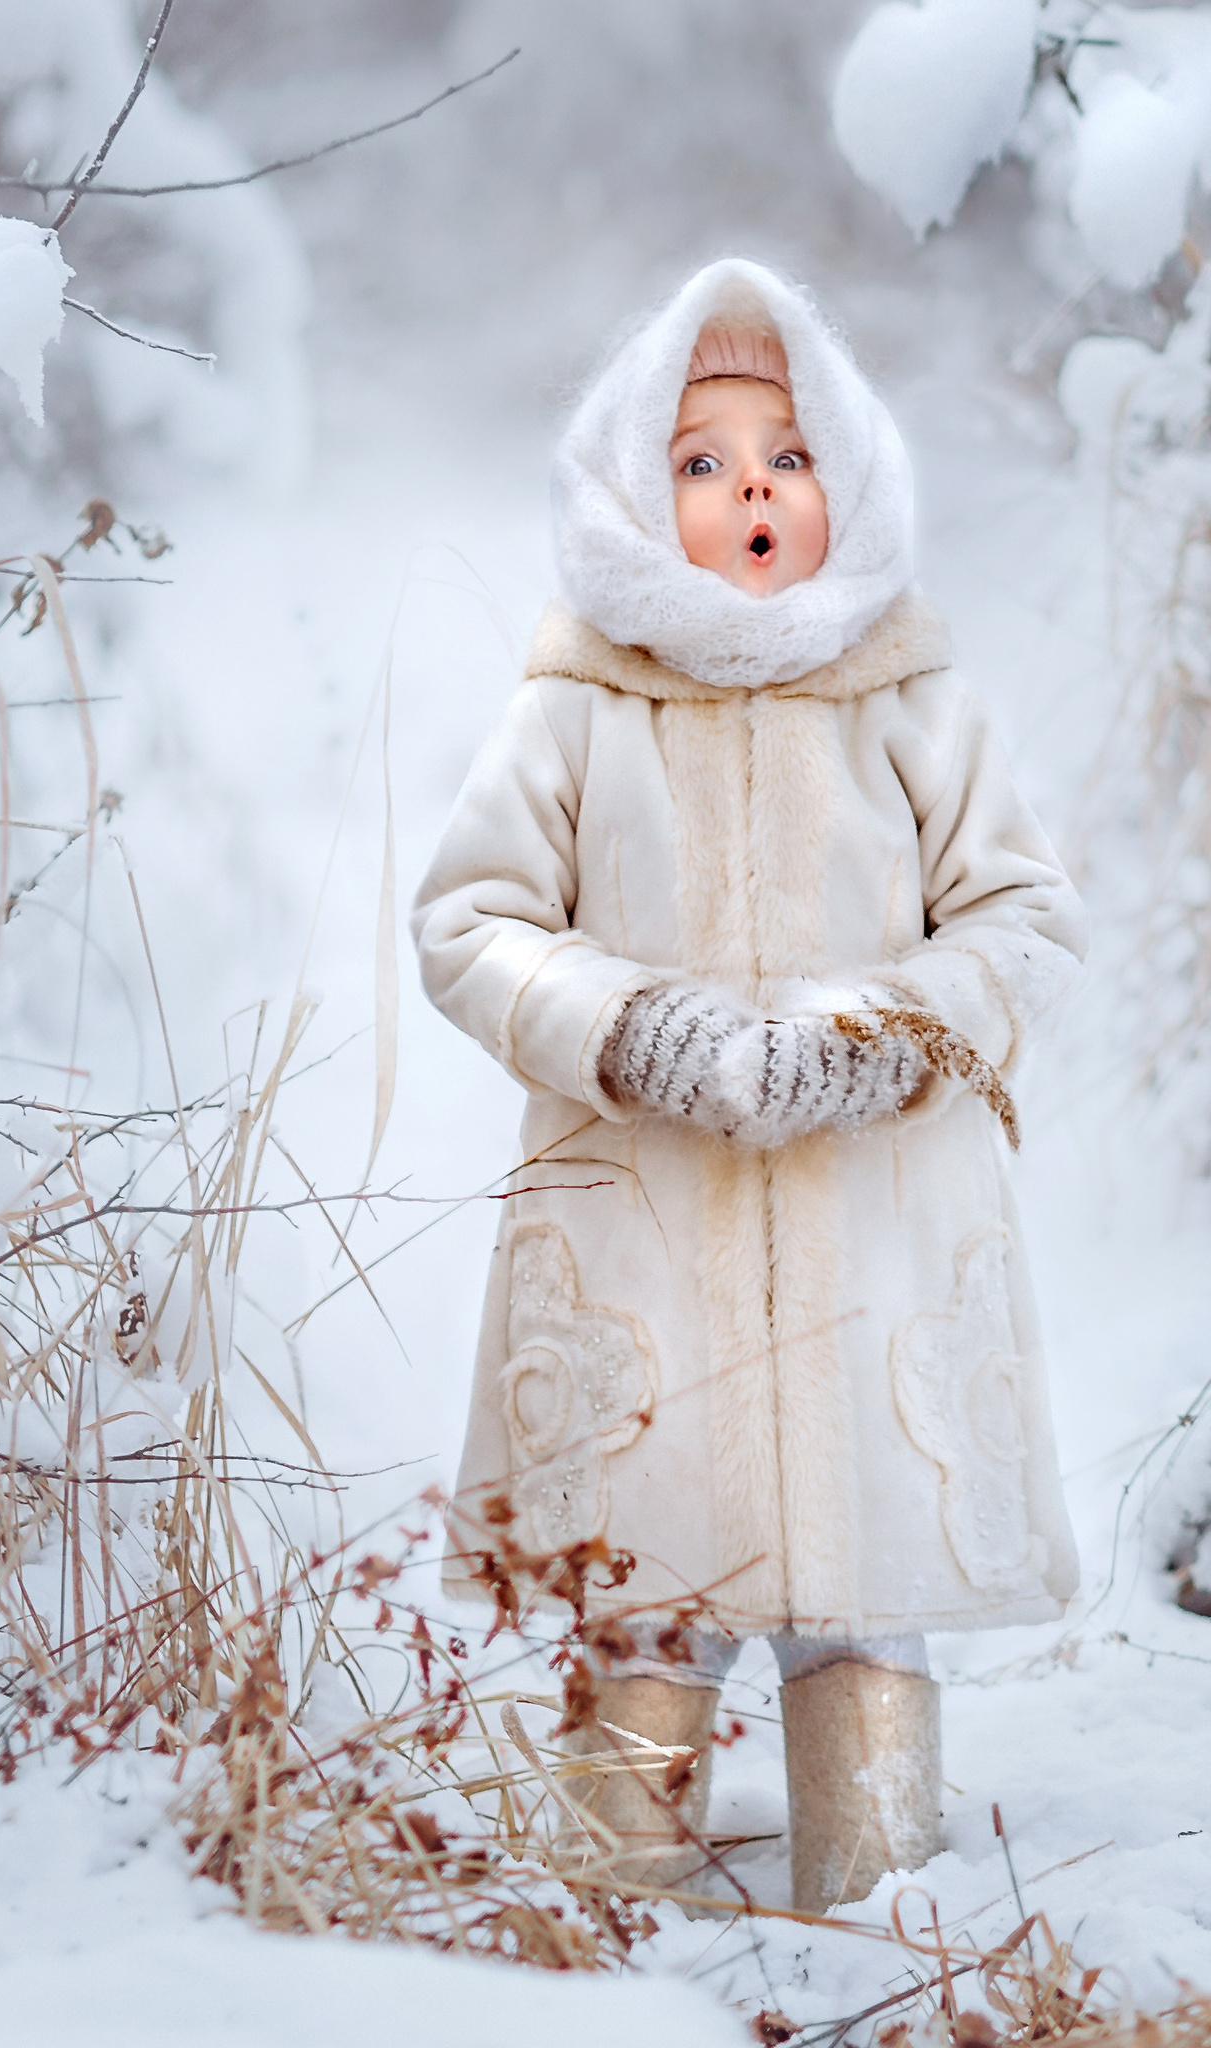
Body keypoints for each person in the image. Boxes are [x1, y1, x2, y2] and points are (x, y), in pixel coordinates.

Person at [411, 258, 1084, 1914]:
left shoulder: (915, 700)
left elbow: (1026, 918)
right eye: (700, 463)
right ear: (639, 497)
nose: (750, 491)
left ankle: (880, 1896)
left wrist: (888, 1033)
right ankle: (610, 1889)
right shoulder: (576, 709)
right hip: (650, 1215)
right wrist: (634, 1030)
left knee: (862, 1588)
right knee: (651, 1575)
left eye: (784, 455)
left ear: (845, 481)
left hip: (875, 1221)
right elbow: (469, 923)